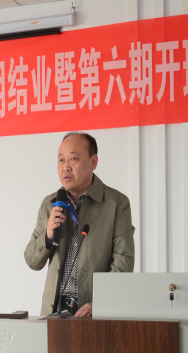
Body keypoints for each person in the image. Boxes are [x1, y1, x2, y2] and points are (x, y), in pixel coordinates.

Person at [24, 132, 135, 317]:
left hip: (94, 313)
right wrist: (48, 235)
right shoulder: (50, 205)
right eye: (61, 160)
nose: (65, 167)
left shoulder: (116, 204)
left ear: (93, 162)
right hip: (54, 312)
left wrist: (98, 303)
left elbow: (123, 263)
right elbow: (31, 261)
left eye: (73, 159)